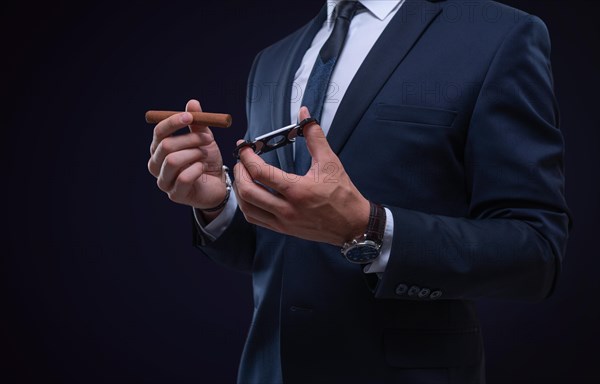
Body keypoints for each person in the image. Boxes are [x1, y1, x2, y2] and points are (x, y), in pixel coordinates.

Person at [147, 0, 571, 382]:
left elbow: (537, 251)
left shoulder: (498, 34)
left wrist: (369, 229)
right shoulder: (272, 60)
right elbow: (278, 247)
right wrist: (219, 201)